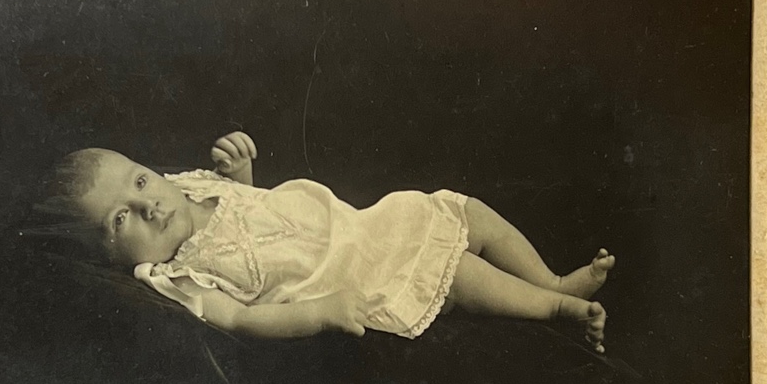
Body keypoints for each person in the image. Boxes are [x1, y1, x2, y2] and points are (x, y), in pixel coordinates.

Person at [42, 131, 613, 349]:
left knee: (462, 210)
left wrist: (239, 174)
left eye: (140, 180)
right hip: (341, 277)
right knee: (457, 271)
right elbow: (240, 320)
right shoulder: (175, 278)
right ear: (110, 258)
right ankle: (557, 308)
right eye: (122, 220)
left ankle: (551, 277)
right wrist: (321, 313)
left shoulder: (187, 186)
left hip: (356, 226)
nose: (148, 203)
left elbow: (251, 208)